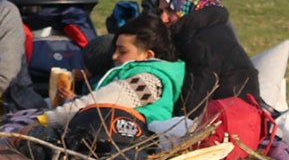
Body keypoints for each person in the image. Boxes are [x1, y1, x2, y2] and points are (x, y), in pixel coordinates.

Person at [42, 13, 186, 125]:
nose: (114, 56)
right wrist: (73, 99)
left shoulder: (148, 82)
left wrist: (43, 121)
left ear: (147, 55)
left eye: (122, 51)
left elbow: (94, 106)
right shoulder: (135, 75)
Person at [153, 0, 258, 119]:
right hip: (238, 118)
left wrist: (173, 128)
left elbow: (194, 101)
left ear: (188, 5)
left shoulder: (201, 41)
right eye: (160, 11)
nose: (163, 18)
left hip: (228, 123)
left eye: (170, 10)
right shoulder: (209, 30)